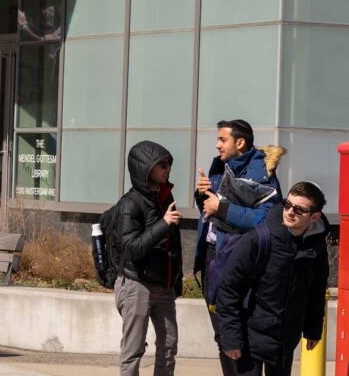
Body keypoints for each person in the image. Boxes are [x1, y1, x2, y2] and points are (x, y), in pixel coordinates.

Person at [193, 119, 284, 373]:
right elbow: (210, 209)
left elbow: (265, 220)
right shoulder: (220, 167)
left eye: (223, 140)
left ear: (240, 142)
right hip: (212, 258)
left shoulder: (261, 174)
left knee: (237, 336)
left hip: (238, 262)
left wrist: (221, 208)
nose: (217, 145)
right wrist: (202, 195)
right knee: (223, 335)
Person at [215, 181, 330, 376]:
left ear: (314, 216)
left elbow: (316, 290)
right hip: (250, 337)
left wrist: (312, 328)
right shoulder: (260, 238)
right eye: (287, 204)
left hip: (285, 339)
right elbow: (228, 288)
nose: (290, 212)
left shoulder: (316, 247)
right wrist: (231, 337)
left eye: (299, 209)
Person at [112, 140, 183, 376]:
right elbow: (131, 249)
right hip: (136, 284)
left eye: (168, 163)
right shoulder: (129, 204)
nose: (167, 168)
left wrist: (176, 280)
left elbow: (175, 244)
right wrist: (163, 225)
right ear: (144, 168)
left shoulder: (164, 196)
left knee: (168, 347)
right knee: (133, 351)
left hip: (164, 287)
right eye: (161, 164)